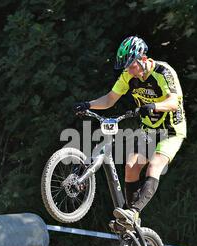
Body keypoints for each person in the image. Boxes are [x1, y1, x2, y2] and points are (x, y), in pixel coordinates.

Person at [73, 36, 186, 228]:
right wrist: (88, 104)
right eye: (125, 67)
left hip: (171, 130)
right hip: (149, 130)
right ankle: (128, 215)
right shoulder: (128, 75)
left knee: (154, 166)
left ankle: (133, 213)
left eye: (130, 65)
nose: (128, 70)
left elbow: (174, 102)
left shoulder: (163, 72)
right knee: (131, 166)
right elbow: (110, 99)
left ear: (143, 59)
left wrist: (152, 105)